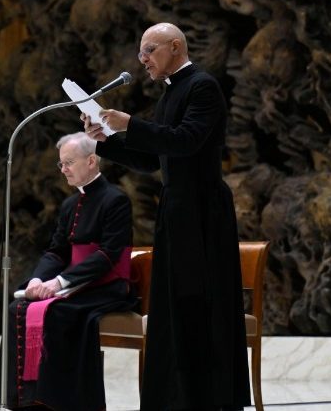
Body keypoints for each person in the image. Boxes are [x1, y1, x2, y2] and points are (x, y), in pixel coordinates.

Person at [83, 22, 250, 410]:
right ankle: (176, 399)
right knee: (175, 307)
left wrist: (130, 124)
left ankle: (207, 399)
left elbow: (186, 141)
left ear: (175, 47)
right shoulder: (172, 93)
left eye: (150, 50)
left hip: (203, 212)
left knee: (200, 305)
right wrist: (107, 142)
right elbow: (152, 159)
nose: (142, 60)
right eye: (141, 53)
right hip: (176, 210)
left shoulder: (202, 86)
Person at [0, 132, 135, 411]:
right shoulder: (70, 204)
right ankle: (16, 402)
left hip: (105, 286)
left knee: (57, 313)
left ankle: (56, 403)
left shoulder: (116, 200)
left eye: (69, 162)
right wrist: (38, 279)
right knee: (17, 308)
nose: (64, 170)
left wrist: (59, 283)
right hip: (74, 285)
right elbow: (57, 251)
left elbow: (107, 255)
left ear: (92, 161)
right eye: (61, 164)